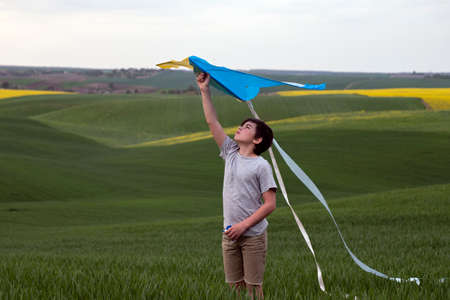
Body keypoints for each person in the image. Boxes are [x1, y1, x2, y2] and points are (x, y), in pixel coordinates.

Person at [196, 72, 277, 300]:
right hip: (229, 234)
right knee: (234, 288)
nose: (241, 128)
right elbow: (212, 121)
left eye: (248, 127)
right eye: (242, 125)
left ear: (257, 140)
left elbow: (270, 204)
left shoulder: (261, 166)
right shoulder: (230, 153)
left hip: (253, 235)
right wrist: (204, 90)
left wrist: (244, 226)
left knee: (253, 289)